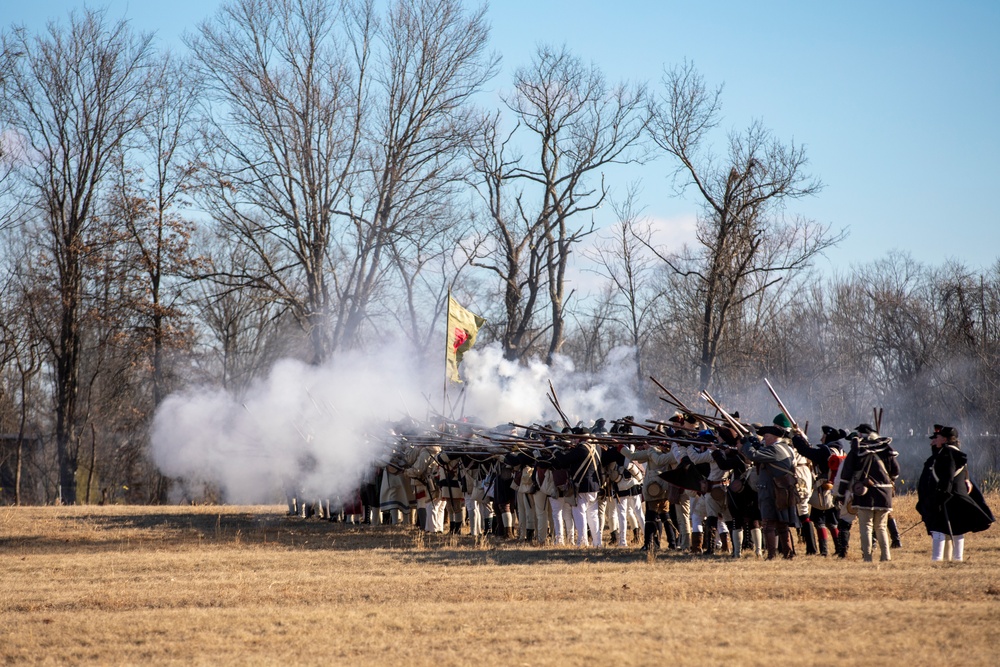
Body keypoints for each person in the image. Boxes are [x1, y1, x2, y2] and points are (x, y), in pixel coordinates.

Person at [916, 425, 994, 561]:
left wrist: (941, 495)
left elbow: (948, 476)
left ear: (944, 439)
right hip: (955, 496)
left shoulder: (947, 454)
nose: (935, 439)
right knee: (957, 528)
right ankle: (958, 559)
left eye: (938, 437)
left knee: (939, 528)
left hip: (947, 497)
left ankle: (937, 559)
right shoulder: (955, 452)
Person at [835, 424, 899, 562]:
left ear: (861, 434)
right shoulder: (886, 448)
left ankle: (868, 558)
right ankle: (886, 556)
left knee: (866, 526)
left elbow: (846, 474)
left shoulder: (857, 450)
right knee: (881, 526)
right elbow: (895, 471)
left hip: (865, 493)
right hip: (885, 492)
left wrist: (840, 494)